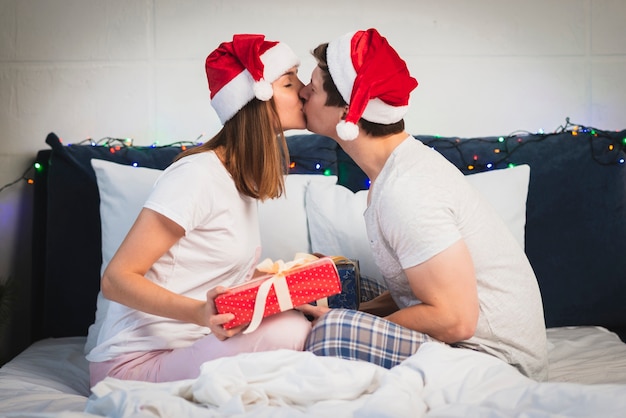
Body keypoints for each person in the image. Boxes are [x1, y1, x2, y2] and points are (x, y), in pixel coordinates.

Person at [297, 28, 549, 380]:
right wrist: (357, 310)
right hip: (464, 335)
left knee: (330, 330)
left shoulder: (408, 190)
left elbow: (455, 319)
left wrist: (351, 323)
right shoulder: (394, 175)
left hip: (493, 360)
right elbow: (414, 294)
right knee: (339, 289)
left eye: (313, 86)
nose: (302, 92)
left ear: (346, 112)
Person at [86, 34, 312, 385]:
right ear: (257, 100)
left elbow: (213, 277)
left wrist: (292, 282)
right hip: (133, 364)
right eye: (288, 81)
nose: (303, 90)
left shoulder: (238, 178)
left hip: (194, 346)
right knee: (291, 332)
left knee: (301, 320)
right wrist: (200, 313)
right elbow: (116, 279)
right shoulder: (197, 175)